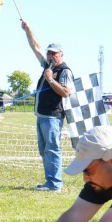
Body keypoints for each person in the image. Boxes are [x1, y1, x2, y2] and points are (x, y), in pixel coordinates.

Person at [21, 20, 75, 192]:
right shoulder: (47, 66)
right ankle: (49, 181)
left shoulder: (64, 71)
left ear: (61, 55)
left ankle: (55, 183)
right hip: (42, 115)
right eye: (49, 53)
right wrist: (28, 30)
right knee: (44, 150)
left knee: (52, 149)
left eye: (54, 54)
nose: (51, 56)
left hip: (53, 116)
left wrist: (51, 79)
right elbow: (35, 47)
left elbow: (66, 92)